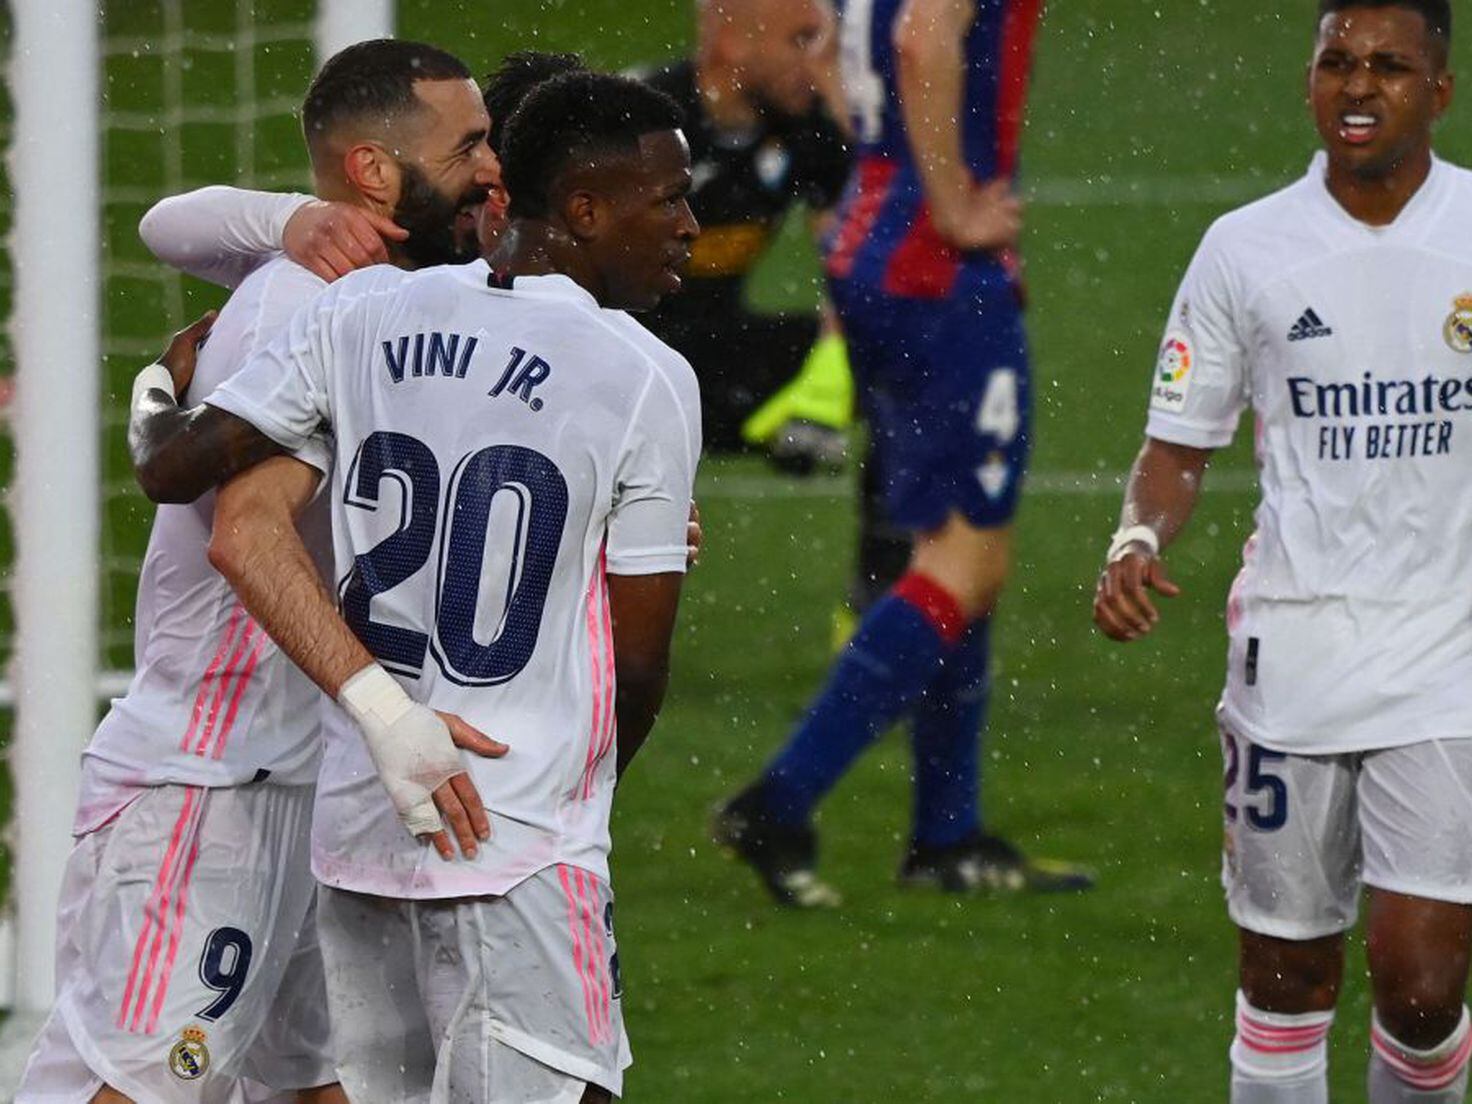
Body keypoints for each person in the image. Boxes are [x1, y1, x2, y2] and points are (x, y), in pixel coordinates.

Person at [128, 70, 700, 1102]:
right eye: (667, 199)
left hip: (358, 832)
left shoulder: (365, 313)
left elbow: (179, 471)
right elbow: (640, 662)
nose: (691, 226)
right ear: (581, 208)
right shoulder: (643, 372)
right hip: (514, 844)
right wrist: (572, 795)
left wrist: (164, 381)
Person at [14, 38, 497, 1104]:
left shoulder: (383, 291)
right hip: (209, 787)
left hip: (296, 782)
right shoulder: (305, 301)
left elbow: (170, 222)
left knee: (307, 1083)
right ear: (373, 172)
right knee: (141, 1086)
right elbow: (234, 522)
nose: (491, 167)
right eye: (470, 144)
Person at [1094, 2, 1472, 1100]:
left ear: (1436, 92)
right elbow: (1174, 448)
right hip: (1291, 652)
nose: (1357, 87)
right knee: (1284, 976)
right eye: (1334, 62)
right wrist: (1132, 535)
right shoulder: (1244, 249)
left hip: (1447, 654)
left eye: (1388, 67)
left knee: (1418, 986)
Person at [715, 0, 1092, 906]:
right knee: (967, 557)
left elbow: (829, 50)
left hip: (876, 243)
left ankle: (946, 836)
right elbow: (924, 38)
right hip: (932, 261)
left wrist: (899, 174)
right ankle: (784, 798)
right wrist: (956, 205)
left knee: (952, 548)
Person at [632, 0, 854, 466]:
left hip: (715, 356)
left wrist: (830, 377)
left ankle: (897, 539)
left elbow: (853, 261)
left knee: (892, 345)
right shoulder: (639, 123)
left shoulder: (806, 129)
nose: (819, 62)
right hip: (621, 357)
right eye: (802, 40)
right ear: (731, 38)